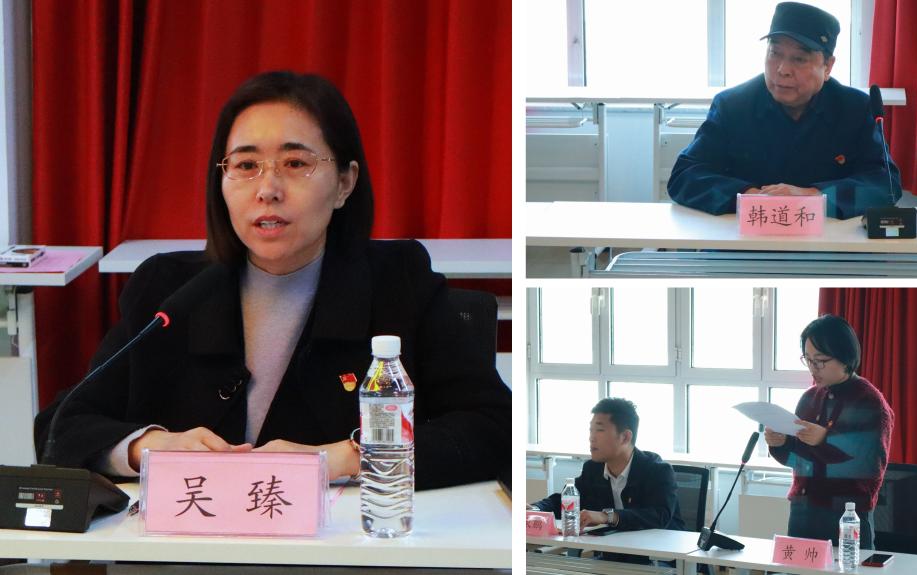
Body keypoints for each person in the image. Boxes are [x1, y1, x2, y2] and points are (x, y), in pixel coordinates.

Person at [34, 71, 511, 491]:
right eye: (245, 166)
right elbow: (61, 425)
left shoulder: (398, 282)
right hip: (192, 544)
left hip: (342, 547)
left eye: (296, 163)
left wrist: (343, 458)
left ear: (345, 183)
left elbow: (493, 426)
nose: (268, 189)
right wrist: (149, 447)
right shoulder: (166, 288)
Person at [667, 2, 901, 220]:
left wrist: (815, 197)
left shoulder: (855, 109)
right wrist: (747, 196)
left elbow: (885, 185)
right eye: (774, 53)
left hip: (827, 242)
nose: (782, 70)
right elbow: (685, 176)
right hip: (748, 239)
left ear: (828, 67)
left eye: (799, 59)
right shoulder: (733, 106)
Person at [765, 314, 893, 548]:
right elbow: (799, 462)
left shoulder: (869, 401)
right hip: (802, 512)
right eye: (808, 360)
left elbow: (869, 466)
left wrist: (825, 438)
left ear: (845, 357)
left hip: (846, 517)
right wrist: (781, 444)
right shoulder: (809, 398)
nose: (813, 368)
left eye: (821, 361)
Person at [529, 398, 683, 562]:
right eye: (591, 431)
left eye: (600, 430)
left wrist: (607, 516)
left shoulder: (657, 470)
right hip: (613, 556)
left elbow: (659, 515)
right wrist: (536, 509)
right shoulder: (593, 468)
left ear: (625, 437)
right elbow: (567, 499)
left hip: (660, 559)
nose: (591, 438)